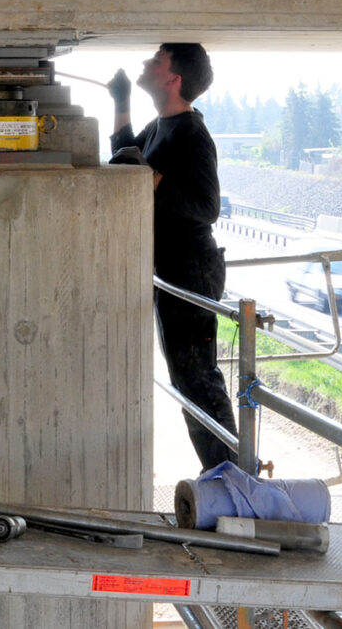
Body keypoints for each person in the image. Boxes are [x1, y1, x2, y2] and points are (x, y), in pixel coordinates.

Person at [107, 43, 238, 472]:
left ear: (173, 78)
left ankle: (232, 476)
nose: (146, 62)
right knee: (188, 379)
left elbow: (207, 206)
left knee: (197, 378)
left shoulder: (191, 132)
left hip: (191, 267)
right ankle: (222, 473)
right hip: (173, 266)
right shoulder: (161, 125)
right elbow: (128, 161)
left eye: (157, 58)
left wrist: (155, 178)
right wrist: (121, 103)